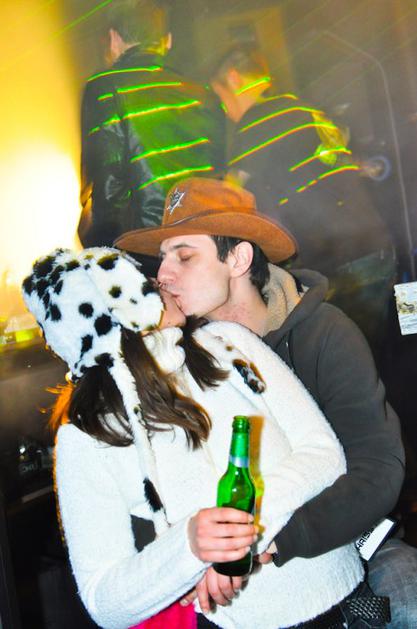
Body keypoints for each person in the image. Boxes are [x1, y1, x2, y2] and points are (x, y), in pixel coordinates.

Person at [21, 246, 389, 628]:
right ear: (121, 310)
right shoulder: (86, 438)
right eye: (144, 282)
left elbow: (325, 454)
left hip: (345, 606)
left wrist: (237, 537)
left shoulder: (229, 344)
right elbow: (103, 600)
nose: (160, 279)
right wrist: (189, 547)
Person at [115, 176, 416, 628]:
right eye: (162, 258)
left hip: (347, 538)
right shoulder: (176, 356)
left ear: (237, 259)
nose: (163, 274)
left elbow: (378, 468)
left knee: (410, 606)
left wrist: (273, 541)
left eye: (185, 256)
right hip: (227, 566)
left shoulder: (322, 333)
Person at [209, 44, 396, 357]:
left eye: (221, 98)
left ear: (234, 78)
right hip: (376, 249)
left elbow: (229, 195)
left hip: (339, 264)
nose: (225, 111)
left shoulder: (256, 123)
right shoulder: (305, 110)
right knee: (374, 356)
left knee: (337, 363)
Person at [78, 0, 223, 265]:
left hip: (148, 249)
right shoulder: (202, 94)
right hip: (206, 244)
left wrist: (103, 254)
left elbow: (105, 186)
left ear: (114, 39)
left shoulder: (106, 87)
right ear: (168, 40)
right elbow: (219, 175)